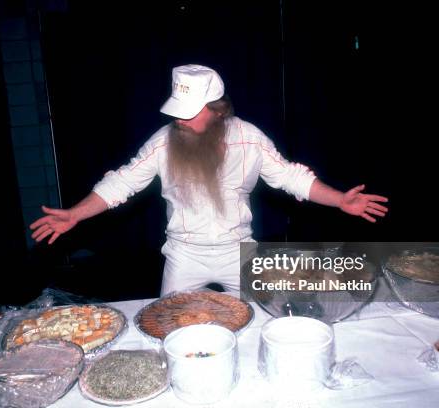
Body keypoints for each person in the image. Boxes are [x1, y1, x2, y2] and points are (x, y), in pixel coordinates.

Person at [30, 64, 389, 295]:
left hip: (240, 251)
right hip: (184, 255)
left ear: (218, 111)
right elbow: (122, 182)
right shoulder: (163, 142)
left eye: (189, 113)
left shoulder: (249, 137)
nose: (180, 121)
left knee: (255, 325)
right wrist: (76, 213)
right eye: (177, 112)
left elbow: (290, 177)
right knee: (173, 329)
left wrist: (341, 200)